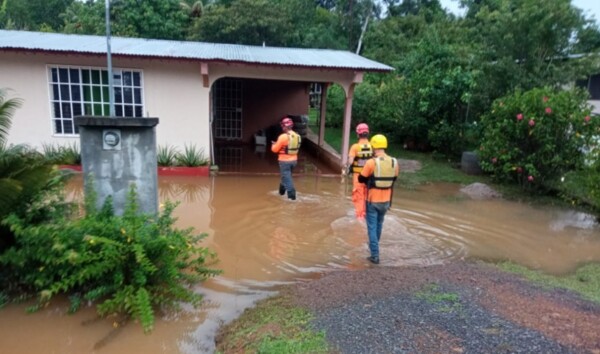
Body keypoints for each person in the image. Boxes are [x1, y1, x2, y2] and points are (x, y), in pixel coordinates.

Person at [358, 134, 399, 264]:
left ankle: (375, 255)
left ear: (374, 147)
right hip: (386, 201)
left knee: (371, 227)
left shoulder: (371, 162)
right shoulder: (394, 162)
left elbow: (361, 179)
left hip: (372, 200)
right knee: (379, 225)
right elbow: (394, 178)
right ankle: (373, 248)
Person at [271, 116, 301, 200]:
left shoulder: (283, 137)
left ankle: (292, 198)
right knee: (286, 176)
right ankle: (281, 193)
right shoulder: (297, 135)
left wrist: (274, 144)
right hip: (294, 161)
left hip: (284, 162)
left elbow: (275, 150)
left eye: (282, 126)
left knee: (287, 179)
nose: (282, 128)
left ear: (284, 126)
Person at [347, 123, 373, 221]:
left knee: (358, 196)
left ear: (358, 134)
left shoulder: (355, 147)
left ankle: (360, 217)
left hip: (358, 177)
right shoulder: (372, 146)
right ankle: (367, 215)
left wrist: (349, 167)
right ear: (367, 133)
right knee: (367, 195)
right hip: (369, 176)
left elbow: (350, 161)